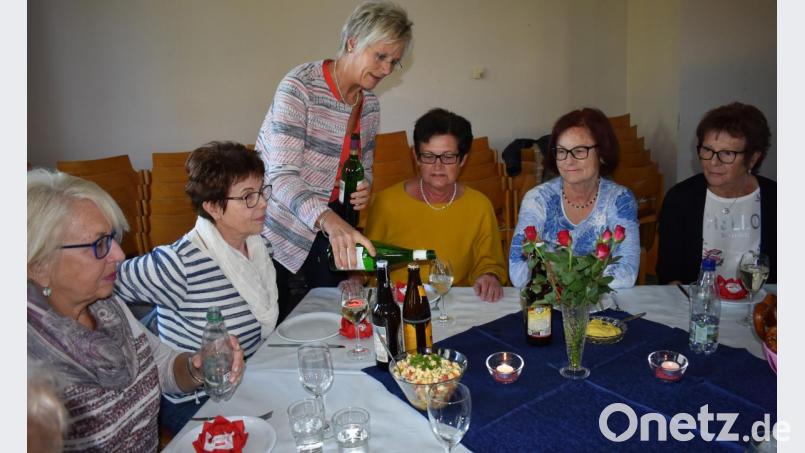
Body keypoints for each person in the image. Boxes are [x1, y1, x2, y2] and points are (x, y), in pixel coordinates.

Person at [27, 169, 245, 451]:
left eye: (114, 238)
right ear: (39, 265)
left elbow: (163, 366)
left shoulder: (108, 307)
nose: (119, 255)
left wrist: (198, 365)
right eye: (99, 244)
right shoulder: (29, 363)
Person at [255, 0, 413, 320]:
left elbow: (364, 168)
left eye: (393, 62)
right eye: (380, 56)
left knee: (334, 318)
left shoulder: (369, 106)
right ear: (352, 42)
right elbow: (280, 176)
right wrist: (329, 220)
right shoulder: (300, 87)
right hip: (280, 229)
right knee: (279, 324)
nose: (385, 69)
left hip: (331, 231)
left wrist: (364, 186)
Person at [115, 141, 277, 435]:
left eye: (262, 191)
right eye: (248, 197)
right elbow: (104, 277)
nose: (263, 202)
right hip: (196, 401)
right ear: (213, 206)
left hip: (246, 381)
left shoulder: (259, 247)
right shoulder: (178, 264)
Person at [363, 108, 507, 301]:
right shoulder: (387, 203)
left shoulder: (479, 206)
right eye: (429, 156)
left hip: (456, 303)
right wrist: (355, 278)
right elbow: (366, 261)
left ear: (463, 159)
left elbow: (490, 262)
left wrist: (489, 276)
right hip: (398, 303)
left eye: (448, 157)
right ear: (416, 157)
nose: (438, 166)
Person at [509, 107, 640, 289]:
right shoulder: (537, 199)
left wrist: (555, 271)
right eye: (561, 151)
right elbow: (518, 272)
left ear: (602, 154)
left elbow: (627, 272)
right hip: (549, 306)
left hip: (602, 307)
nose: (568, 161)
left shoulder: (620, 200)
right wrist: (587, 276)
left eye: (579, 151)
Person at [657, 102, 776, 286]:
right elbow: (670, 274)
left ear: (752, 158)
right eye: (707, 150)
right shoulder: (680, 199)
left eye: (727, 153)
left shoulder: (775, 199)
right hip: (699, 308)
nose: (713, 162)